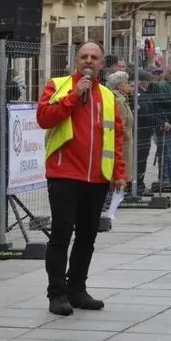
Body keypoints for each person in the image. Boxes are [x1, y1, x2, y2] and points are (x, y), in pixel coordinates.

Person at [36, 42, 126, 317]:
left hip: (96, 177)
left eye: (94, 57)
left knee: (87, 237)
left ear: (102, 63)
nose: (89, 61)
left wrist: (119, 172)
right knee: (61, 235)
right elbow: (44, 118)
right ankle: (57, 294)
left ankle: (77, 289)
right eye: (84, 56)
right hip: (64, 174)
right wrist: (74, 96)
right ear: (76, 61)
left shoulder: (108, 96)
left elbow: (116, 137)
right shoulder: (58, 85)